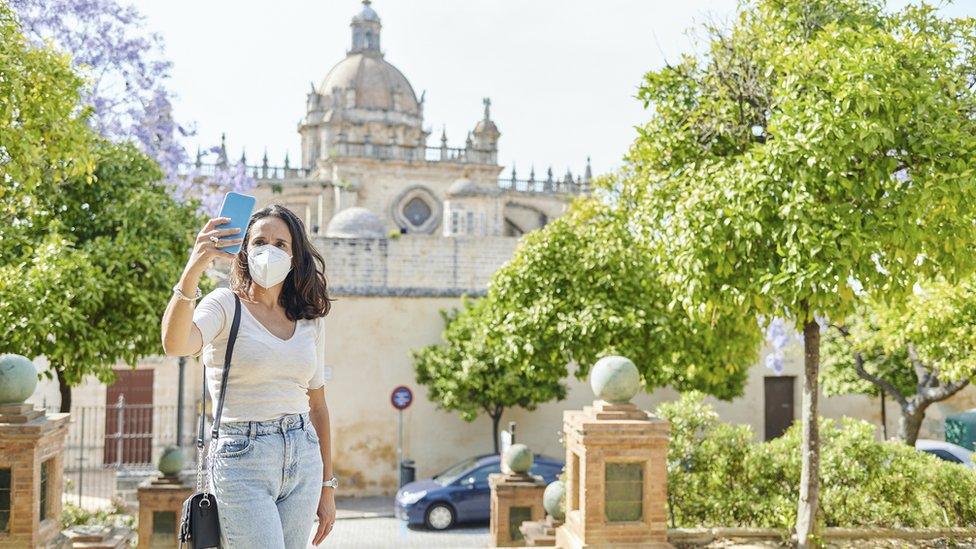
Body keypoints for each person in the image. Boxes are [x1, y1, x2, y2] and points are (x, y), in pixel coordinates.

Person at [161, 204, 337, 548]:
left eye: (280, 244)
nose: (268, 250)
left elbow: (318, 406)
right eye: (259, 242)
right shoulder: (225, 304)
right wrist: (194, 268)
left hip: (303, 454)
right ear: (244, 250)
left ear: (294, 255)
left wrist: (327, 486)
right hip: (242, 457)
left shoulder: (310, 319)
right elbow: (176, 344)